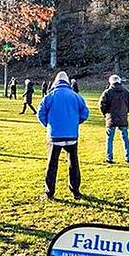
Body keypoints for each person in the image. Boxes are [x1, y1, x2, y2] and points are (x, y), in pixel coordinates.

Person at [37, 71, 89, 200]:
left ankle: (49, 192)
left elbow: (40, 113)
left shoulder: (50, 96)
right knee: (73, 163)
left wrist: (49, 125)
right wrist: (75, 122)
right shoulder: (76, 96)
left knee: (52, 164)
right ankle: (75, 191)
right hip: (72, 135)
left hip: (55, 136)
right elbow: (85, 113)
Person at [99, 74, 129, 164]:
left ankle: (109, 157)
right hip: (123, 118)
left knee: (109, 139)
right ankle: (128, 157)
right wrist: (125, 112)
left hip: (111, 118)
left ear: (110, 82)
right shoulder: (126, 92)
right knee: (125, 138)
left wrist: (105, 114)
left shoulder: (107, 92)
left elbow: (101, 105)